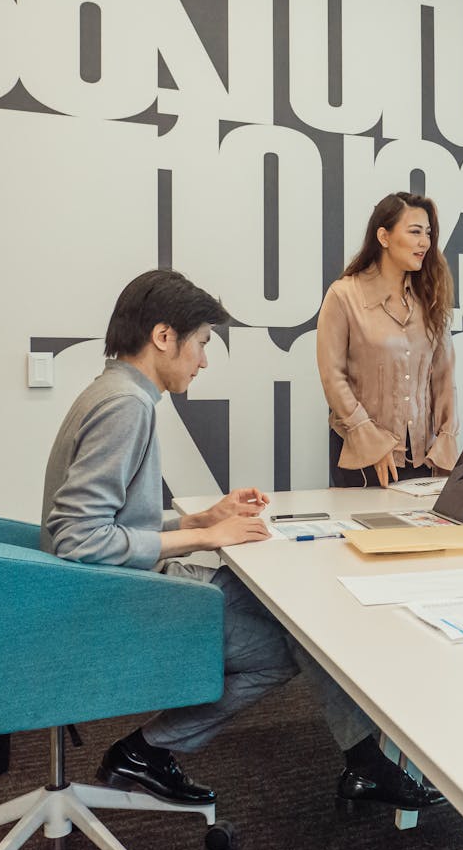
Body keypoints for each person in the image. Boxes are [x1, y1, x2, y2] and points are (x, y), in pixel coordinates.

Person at [41, 269, 441, 810]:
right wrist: (202, 538)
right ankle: (148, 748)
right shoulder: (125, 407)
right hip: (116, 603)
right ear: (164, 337)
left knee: (292, 609)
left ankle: (364, 763)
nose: (203, 360)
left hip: (116, 587)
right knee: (287, 644)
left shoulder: (113, 391)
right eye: (202, 343)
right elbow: (77, 540)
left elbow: (106, 524)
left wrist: (201, 521)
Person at [317, 191, 458, 488]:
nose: (425, 242)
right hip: (363, 458)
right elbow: (333, 377)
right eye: (415, 232)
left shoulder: (431, 300)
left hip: (424, 458)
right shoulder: (343, 295)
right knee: (366, 532)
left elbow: (444, 379)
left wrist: (445, 442)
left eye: (428, 234)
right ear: (384, 236)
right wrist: (372, 443)